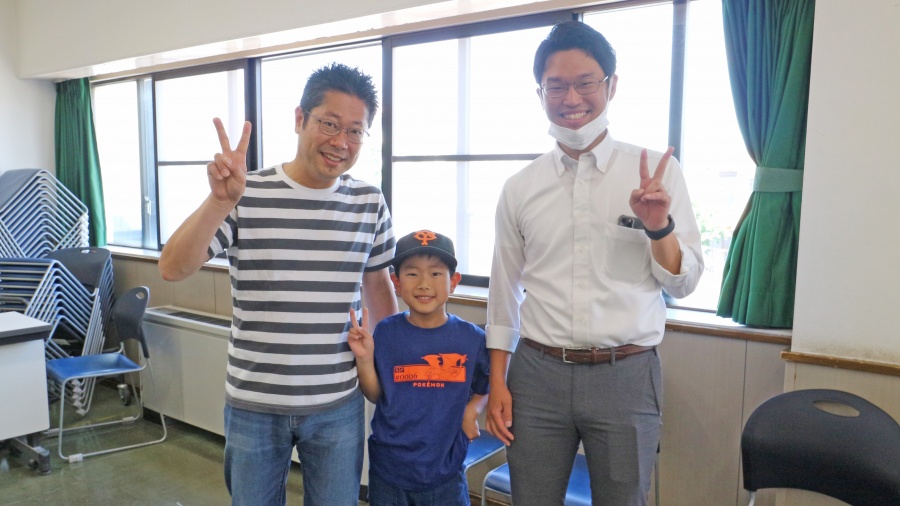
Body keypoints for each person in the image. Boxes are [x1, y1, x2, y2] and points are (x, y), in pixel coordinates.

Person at [484, 21, 704, 506]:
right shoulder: (520, 187)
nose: (571, 98)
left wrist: (658, 226)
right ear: (540, 93)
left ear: (611, 85)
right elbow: (504, 289)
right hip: (537, 373)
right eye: (556, 86)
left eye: (586, 83)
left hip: (626, 372)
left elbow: (683, 282)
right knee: (531, 499)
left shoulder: (656, 173)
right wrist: (497, 380)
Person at [158, 63, 398, 506]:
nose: (341, 142)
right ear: (299, 118)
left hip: (337, 403)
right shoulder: (245, 192)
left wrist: (392, 380)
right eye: (329, 123)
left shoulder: (369, 202)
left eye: (355, 131)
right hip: (254, 405)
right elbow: (173, 268)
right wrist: (218, 201)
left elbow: (380, 294)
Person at [347, 230, 490, 506]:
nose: (424, 284)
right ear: (397, 283)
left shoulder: (472, 339)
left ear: (453, 282)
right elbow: (376, 394)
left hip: (446, 473)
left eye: (436, 274)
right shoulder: (386, 332)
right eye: (412, 274)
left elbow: (486, 387)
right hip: (389, 472)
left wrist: (472, 410)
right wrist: (364, 359)